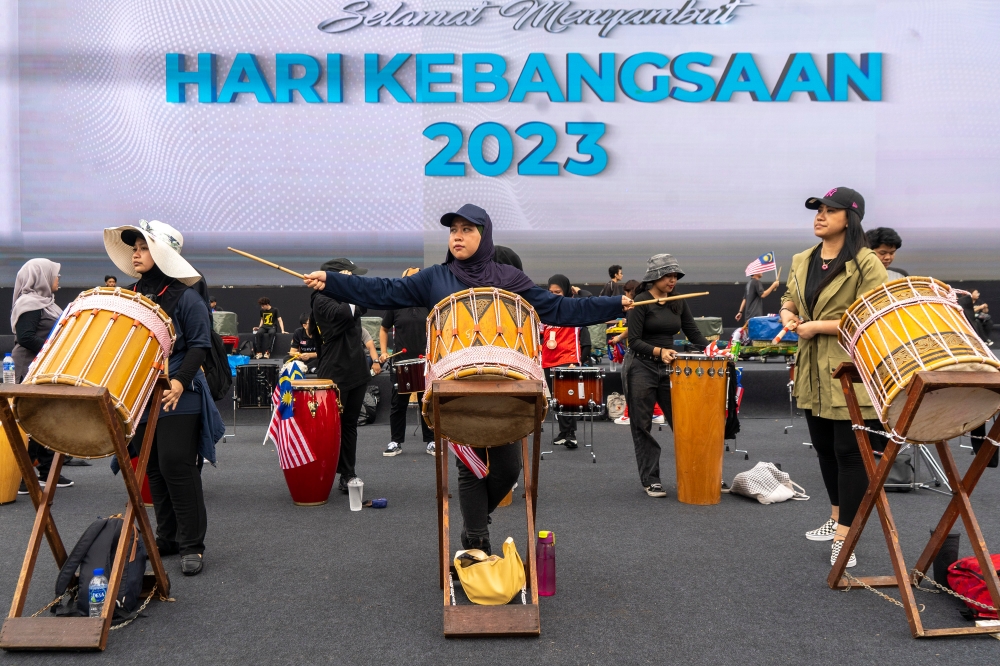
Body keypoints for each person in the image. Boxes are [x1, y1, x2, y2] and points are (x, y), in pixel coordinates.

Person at [302, 204, 629, 555]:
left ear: (484, 236)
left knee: (508, 469)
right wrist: (333, 281)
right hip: (456, 386)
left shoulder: (509, 278)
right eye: (453, 230)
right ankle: (475, 540)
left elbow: (560, 309)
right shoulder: (435, 278)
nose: (457, 236)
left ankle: (476, 521)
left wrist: (613, 305)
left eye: (467, 229)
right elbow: (384, 290)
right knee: (470, 467)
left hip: (505, 387)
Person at [104, 219, 226, 576]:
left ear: (161, 254)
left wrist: (180, 382)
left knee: (176, 464)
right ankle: (168, 537)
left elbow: (199, 345)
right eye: (135, 248)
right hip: (141, 393)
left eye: (143, 248)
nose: (135, 254)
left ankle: (192, 545)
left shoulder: (186, 296)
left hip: (179, 392)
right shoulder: (129, 295)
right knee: (154, 466)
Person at [779, 187, 886, 569]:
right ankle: (837, 516)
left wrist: (816, 326)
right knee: (824, 448)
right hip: (811, 368)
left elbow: (872, 317)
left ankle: (846, 537)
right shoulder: (802, 259)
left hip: (850, 369)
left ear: (850, 218)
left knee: (849, 453)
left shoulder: (867, 263)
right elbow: (789, 298)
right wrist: (788, 315)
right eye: (818, 210)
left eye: (830, 210)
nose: (820, 216)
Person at [626, 254, 711, 498]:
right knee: (642, 426)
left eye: (675, 276)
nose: (672, 280)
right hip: (641, 367)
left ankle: (699, 472)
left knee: (685, 422)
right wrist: (659, 351)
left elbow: (693, 332)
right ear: (654, 277)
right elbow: (634, 341)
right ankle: (651, 479)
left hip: (670, 368)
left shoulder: (678, 301)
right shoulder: (641, 301)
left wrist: (713, 350)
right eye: (667, 276)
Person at [11, 259, 76, 492]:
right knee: (31, 420)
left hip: (45, 366)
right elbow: (26, 337)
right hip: (30, 367)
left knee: (47, 418)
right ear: (42, 277)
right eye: (55, 274)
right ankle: (22, 476)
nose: (58, 279)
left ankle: (46, 471)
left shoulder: (48, 303)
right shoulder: (30, 303)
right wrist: (55, 349)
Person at [309, 257, 372, 495]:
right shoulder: (321, 300)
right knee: (330, 427)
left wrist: (348, 288)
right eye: (350, 275)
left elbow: (363, 304)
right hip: (334, 373)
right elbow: (344, 313)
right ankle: (321, 472)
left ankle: (348, 473)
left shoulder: (346, 295)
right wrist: (346, 288)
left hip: (356, 369)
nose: (354, 279)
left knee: (349, 424)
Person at [379, 267, 434, 457]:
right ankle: (395, 441)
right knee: (398, 404)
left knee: (426, 403)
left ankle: (431, 441)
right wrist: (384, 352)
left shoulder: (429, 302)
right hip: (401, 362)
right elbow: (384, 329)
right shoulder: (395, 303)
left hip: (425, 362)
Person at [543, 274, 589, 448]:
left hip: (568, 359)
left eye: (558, 292)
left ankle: (571, 434)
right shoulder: (544, 310)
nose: (554, 295)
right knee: (557, 400)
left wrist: (578, 291)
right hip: (549, 361)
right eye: (551, 292)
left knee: (568, 398)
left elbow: (589, 299)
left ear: (566, 291)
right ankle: (564, 432)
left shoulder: (574, 309)